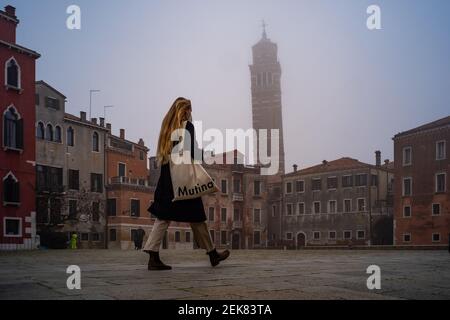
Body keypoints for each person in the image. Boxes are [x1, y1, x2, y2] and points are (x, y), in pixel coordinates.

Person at [143, 97, 230, 270]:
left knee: (163, 218)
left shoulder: (166, 129)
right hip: (183, 181)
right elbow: (193, 154)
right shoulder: (187, 126)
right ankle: (212, 255)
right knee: (197, 218)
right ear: (186, 110)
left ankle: (153, 256)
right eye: (190, 109)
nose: (191, 113)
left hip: (167, 180)